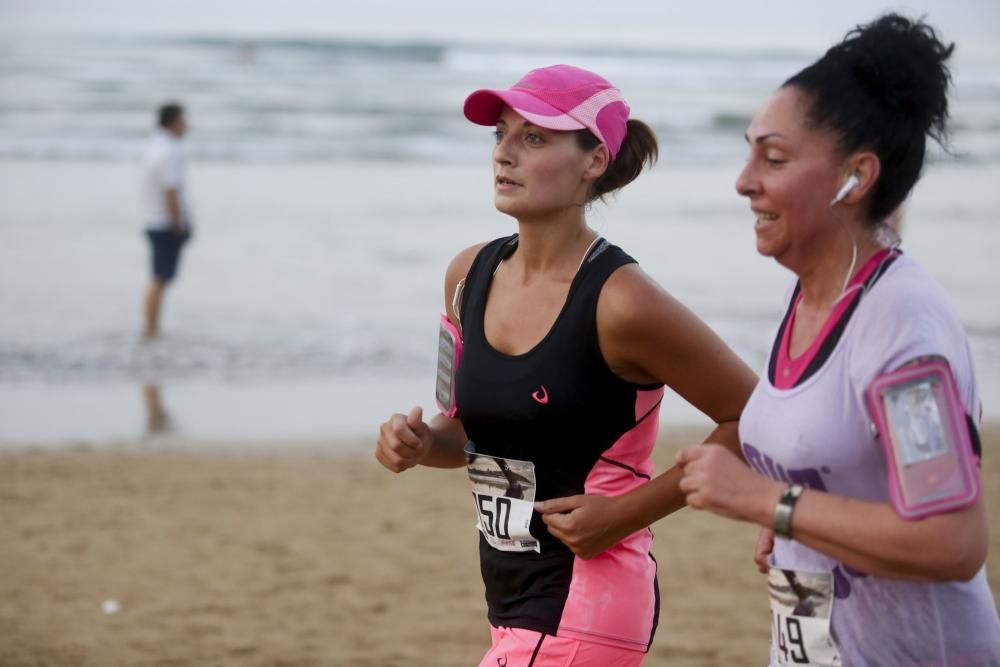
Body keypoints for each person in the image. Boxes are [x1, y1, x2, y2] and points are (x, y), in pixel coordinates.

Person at [375, 64, 757, 666]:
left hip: (588, 601)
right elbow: (464, 431)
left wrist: (625, 514)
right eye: (499, 134)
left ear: (594, 160)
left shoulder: (623, 302)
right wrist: (421, 443)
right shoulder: (466, 278)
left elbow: (754, 417)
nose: (504, 154)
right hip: (509, 605)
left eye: (533, 138)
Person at [675, 14, 1000, 666]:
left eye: (774, 157)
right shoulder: (815, 295)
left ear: (857, 176)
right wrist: (793, 524)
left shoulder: (902, 330)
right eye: (748, 153)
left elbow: (951, 538)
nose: (743, 181)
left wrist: (766, 498)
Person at [142, 102, 193, 339]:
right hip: (164, 222)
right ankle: (151, 329)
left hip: (152, 218)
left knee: (160, 278)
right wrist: (178, 221)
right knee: (160, 278)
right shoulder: (170, 151)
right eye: (184, 120)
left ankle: (152, 327)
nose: (188, 125)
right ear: (173, 122)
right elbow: (170, 190)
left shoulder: (155, 146)